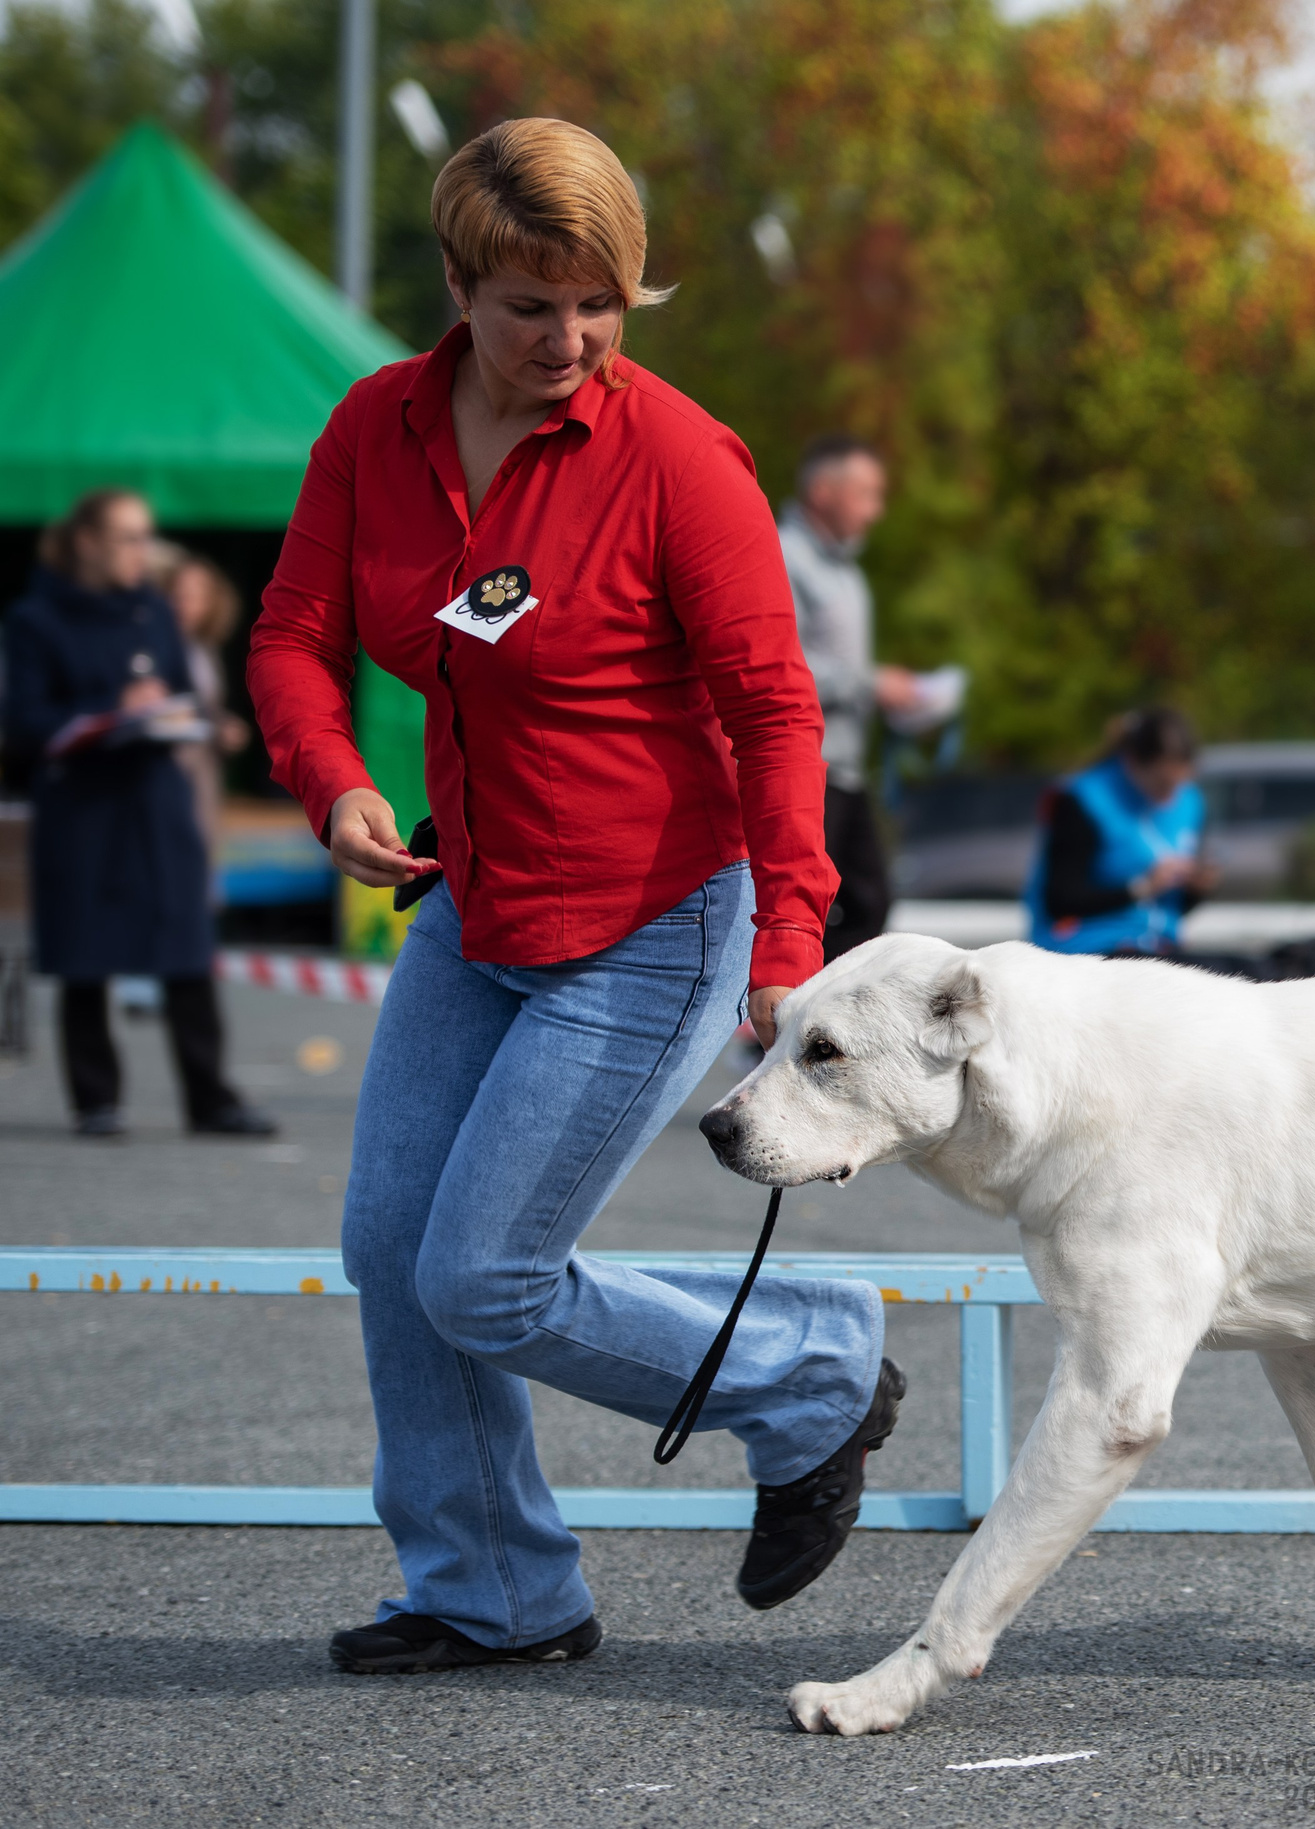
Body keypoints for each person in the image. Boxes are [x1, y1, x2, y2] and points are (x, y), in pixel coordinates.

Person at [247, 117, 901, 1677]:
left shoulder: (676, 456)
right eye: (533, 304)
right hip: (471, 905)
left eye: (601, 301)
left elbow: (773, 708)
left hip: (654, 919)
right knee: (393, 1247)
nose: (571, 339)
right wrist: (333, 776)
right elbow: (292, 635)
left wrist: (791, 948)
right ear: (461, 287)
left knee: (483, 1274)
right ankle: (494, 1589)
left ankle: (809, 1372)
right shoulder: (373, 432)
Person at [1, 490, 273, 1138]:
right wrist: (112, 706)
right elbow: (25, 722)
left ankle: (210, 1097)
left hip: (157, 799)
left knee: (185, 943)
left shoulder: (153, 609)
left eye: (145, 537)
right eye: (126, 536)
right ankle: (96, 1100)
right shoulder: (36, 619)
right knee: (85, 953)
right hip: (83, 806)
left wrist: (189, 716)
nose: (140, 551)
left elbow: (181, 691)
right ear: (87, 542)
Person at [778, 435, 920, 961]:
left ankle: (816, 1014)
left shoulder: (846, 569)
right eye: (866, 494)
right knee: (809, 906)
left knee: (868, 901)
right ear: (822, 491)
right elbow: (772, 661)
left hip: (847, 767)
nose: (875, 511)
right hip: (805, 767)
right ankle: (784, 1018)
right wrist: (868, 682)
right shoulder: (783, 557)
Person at [1025, 707, 1211, 954]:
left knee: (1255, 969)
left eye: (1180, 783)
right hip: (1087, 947)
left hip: (1158, 945)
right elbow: (1059, 900)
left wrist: (1196, 888)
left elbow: (1169, 907)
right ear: (1132, 762)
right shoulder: (1083, 799)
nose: (1171, 797)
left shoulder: (1189, 801)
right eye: (1162, 783)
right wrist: (1142, 887)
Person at [161, 551, 254, 902]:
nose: (184, 604)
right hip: (170, 770)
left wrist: (222, 726)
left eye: (195, 596)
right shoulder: (157, 647)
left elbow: (201, 709)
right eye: (177, 593)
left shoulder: (204, 649)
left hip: (200, 772)